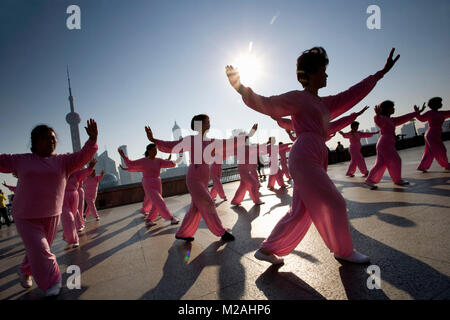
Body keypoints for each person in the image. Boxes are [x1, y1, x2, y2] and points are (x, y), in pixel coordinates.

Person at [226, 47, 400, 264]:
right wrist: (240, 87)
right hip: (304, 155)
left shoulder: (325, 103)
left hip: (315, 155)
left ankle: (267, 249)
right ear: (309, 74)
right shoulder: (299, 98)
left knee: (299, 211)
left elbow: (352, 94)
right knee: (335, 202)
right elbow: (267, 103)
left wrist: (379, 74)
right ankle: (343, 251)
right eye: (322, 70)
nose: (326, 75)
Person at [0, 119, 98, 296]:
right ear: (35, 142)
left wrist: (92, 140)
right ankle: (53, 281)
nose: (51, 141)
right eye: (46, 138)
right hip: (25, 215)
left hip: (51, 214)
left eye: (53, 138)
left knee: (38, 248)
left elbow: (82, 156)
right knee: (41, 248)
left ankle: (24, 269)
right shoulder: (21, 160)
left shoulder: (63, 161)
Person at [145, 115, 257, 242]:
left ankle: (183, 233)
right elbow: (172, 145)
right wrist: (154, 139)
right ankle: (221, 231)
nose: (209, 123)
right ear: (199, 125)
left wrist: (247, 136)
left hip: (204, 178)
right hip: (194, 178)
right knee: (208, 202)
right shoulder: (191, 140)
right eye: (206, 121)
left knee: (195, 208)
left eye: (208, 121)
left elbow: (228, 143)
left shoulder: (211, 142)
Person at [118, 144, 180, 227]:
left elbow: (170, 164)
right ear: (149, 151)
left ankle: (149, 220)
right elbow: (131, 164)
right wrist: (124, 156)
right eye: (153, 150)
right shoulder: (143, 161)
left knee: (156, 203)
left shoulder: (159, 160)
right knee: (159, 200)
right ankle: (171, 218)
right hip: (148, 183)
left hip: (157, 182)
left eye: (156, 150)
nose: (155, 151)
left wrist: (177, 159)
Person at [364, 101, 421, 189]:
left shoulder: (391, 120)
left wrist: (416, 113)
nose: (394, 109)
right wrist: (378, 115)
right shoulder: (382, 118)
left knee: (380, 164)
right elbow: (378, 121)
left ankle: (369, 180)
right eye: (392, 107)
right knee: (396, 160)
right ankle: (397, 180)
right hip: (385, 144)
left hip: (385, 143)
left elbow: (404, 118)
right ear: (386, 109)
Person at [61, 159, 96, 248]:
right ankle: (74, 239)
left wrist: (90, 167)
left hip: (74, 197)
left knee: (72, 216)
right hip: (63, 197)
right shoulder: (60, 174)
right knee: (68, 217)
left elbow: (86, 172)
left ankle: (66, 235)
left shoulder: (76, 174)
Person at [415, 97, 450, 172]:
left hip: (433, 134)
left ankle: (422, 166)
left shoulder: (441, 113)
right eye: (440, 103)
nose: (441, 104)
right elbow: (421, 119)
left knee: (429, 152)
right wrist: (417, 112)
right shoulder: (430, 113)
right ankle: (446, 165)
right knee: (441, 150)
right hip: (431, 134)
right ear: (435, 104)